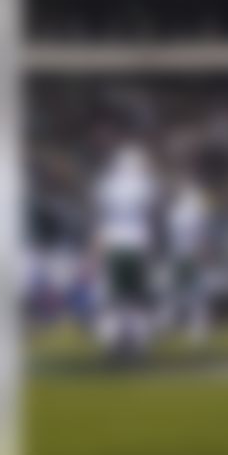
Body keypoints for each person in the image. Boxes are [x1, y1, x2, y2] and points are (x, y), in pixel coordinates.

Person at [90, 142, 158, 361]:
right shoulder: (145, 184)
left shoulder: (105, 185)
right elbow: (150, 215)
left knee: (114, 297)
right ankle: (137, 344)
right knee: (136, 296)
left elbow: (101, 217)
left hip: (113, 243)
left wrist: (96, 246)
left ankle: (112, 343)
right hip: (137, 244)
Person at [164, 173, 211, 344]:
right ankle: (192, 328)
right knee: (187, 293)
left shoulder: (184, 209)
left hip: (184, 254)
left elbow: (198, 232)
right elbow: (197, 234)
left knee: (186, 293)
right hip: (185, 255)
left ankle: (193, 328)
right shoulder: (184, 209)